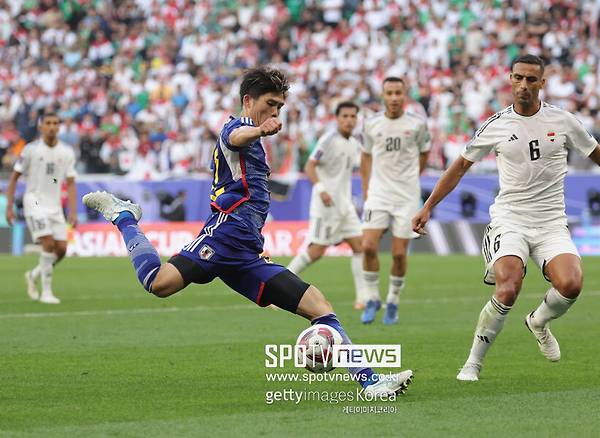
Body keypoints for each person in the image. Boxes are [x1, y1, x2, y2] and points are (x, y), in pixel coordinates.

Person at [83, 67, 412, 395]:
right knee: (158, 283)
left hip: (246, 251)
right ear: (248, 100)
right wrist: (260, 131)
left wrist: (257, 242)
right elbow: (234, 137)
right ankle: (124, 216)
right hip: (222, 237)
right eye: (270, 104)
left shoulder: (255, 140)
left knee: (320, 306)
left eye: (280, 107)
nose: (275, 112)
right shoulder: (237, 128)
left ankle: (370, 381)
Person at [412, 55, 600, 381]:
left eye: (530, 79)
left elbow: (598, 154)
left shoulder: (563, 120)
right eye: (518, 78)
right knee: (509, 287)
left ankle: (538, 321)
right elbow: (459, 167)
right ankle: (473, 363)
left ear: (542, 83)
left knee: (571, 284)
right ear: (510, 80)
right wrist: (428, 206)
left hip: (552, 222)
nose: (523, 85)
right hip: (510, 219)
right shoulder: (496, 125)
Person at [360, 77, 431, 324]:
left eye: (398, 93)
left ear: (405, 95)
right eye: (389, 93)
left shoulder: (417, 124)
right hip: (378, 194)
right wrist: (367, 188)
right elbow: (366, 156)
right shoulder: (371, 124)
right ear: (383, 95)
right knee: (368, 246)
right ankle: (371, 298)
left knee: (399, 254)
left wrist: (411, 178)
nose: (393, 98)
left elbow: (424, 153)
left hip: (406, 196)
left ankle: (392, 300)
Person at [287, 101, 367, 309]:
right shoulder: (328, 139)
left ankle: (363, 298)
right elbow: (309, 165)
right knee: (316, 251)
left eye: (353, 116)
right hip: (326, 206)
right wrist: (321, 189)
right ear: (337, 118)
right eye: (345, 116)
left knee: (360, 246)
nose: (349, 120)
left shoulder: (353, 142)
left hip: (344, 205)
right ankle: (279, 288)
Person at [5, 112, 78, 304]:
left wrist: (73, 210)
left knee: (61, 249)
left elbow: (70, 182)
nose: (52, 126)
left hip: (54, 205)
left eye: (55, 123)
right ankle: (46, 292)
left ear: (59, 127)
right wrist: (9, 207)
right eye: (48, 123)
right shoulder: (30, 150)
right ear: (41, 127)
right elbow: (14, 178)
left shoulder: (67, 152)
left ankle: (33, 274)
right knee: (48, 242)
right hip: (34, 201)